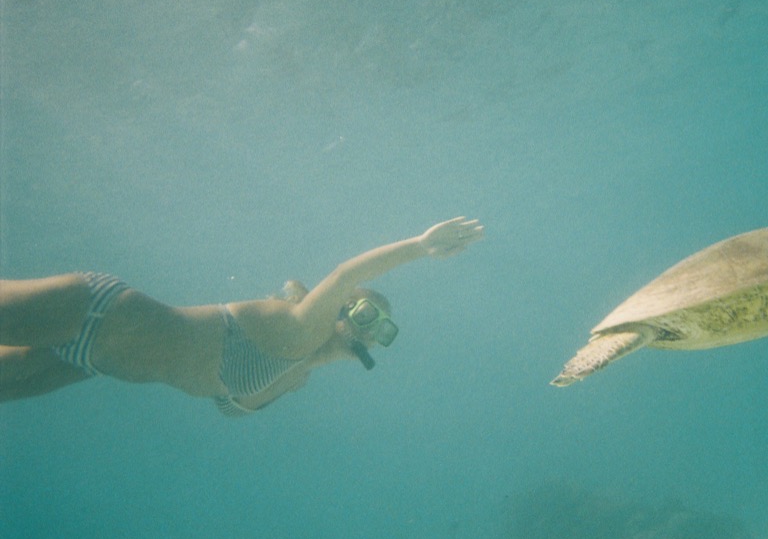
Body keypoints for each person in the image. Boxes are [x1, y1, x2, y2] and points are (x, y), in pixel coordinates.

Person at [0, 217, 484, 415]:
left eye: (381, 327)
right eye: (364, 311)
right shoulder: (297, 330)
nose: (369, 328)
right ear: (339, 307)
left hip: (92, 361)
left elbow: (228, 408)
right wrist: (420, 246)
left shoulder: (295, 373)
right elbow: (345, 274)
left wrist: (320, 360)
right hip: (99, 313)